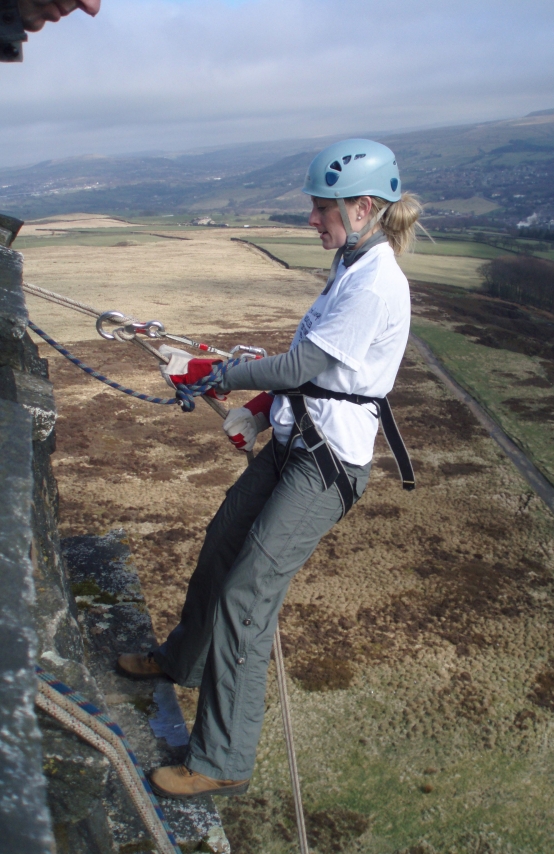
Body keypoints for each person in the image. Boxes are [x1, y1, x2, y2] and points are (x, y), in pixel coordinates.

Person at [117, 138, 421, 799]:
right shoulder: (352, 262)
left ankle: (221, 760)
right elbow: (316, 370)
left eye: (322, 210)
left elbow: (298, 369)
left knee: (246, 599)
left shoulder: (374, 283)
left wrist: (225, 375)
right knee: (222, 542)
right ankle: (181, 661)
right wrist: (257, 404)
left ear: (364, 207)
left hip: (324, 465)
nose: (313, 220)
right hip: (296, 442)